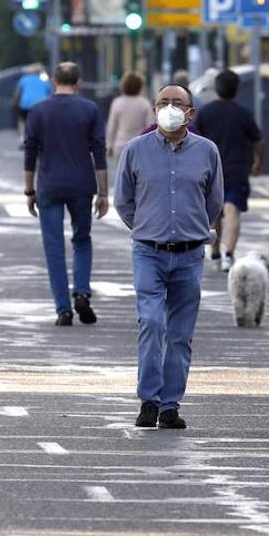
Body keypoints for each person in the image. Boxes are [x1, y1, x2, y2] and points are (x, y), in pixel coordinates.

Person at [113, 84, 224, 431]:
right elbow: (123, 201)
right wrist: (147, 227)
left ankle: (170, 405)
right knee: (151, 321)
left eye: (178, 103)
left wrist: (192, 229)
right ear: (154, 109)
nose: (170, 108)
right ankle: (149, 399)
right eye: (164, 103)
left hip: (190, 254)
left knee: (180, 333)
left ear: (191, 113)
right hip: (149, 251)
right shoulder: (135, 150)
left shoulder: (207, 151)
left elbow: (215, 201)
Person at [24, 62, 109, 326]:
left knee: (54, 247)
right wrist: (103, 192)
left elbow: (30, 153)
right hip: (81, 185)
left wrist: (29, 189)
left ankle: (63, 309)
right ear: (79, 81)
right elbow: (99, 151)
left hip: (49, 185)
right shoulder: (90, 109)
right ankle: (82, 291)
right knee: (82, 240)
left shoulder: (38, 111)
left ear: (53, 81)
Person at [192, 69, 263, 272]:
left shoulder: (205, 112)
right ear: (236, 88)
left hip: (210, 170)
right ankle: (229, 254)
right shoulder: (243, 113)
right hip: (237, 169)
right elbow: (259, 141)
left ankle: (214, 252)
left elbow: (193, 139)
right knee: (232, 211)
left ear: (216, 88)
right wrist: (259, 162)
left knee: (214, 212)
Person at [105, 71, 149, 164]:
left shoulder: (117, 102)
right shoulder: (145, 103)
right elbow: (150, 126)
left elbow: (112, 127)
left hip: (120, 146)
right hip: (139, 146)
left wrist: (109, 145)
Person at [11, 63, 50, 138]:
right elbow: (50, 93)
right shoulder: (45, 80)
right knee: (41, 122)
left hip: (26, 104)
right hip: (41, 105)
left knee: (22, 121)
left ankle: (22, 138)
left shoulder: (24, 79)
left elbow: (18, 93)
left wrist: (14, 101)